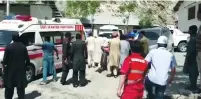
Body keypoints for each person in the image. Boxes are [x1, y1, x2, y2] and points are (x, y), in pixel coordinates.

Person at [2, 33, 30, 99]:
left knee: (9, 88)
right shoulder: (23, 47)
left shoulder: (8, 47)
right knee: (20, 89)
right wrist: (25, 67)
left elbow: (5, 60)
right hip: (20, 71)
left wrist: (3, 67)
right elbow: (27, 60)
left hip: (10, 72)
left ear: (12, 38)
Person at [183, 25, 200, 92]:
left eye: (189, 29)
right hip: (190, 57)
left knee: (193, 72)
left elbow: (193, 49)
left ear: (192, 30)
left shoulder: (195, 38)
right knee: (190, 71)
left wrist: (190, 57)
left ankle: (193, 86)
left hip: (193, 58)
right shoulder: (192, 37)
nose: (188, 30)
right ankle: (192, 85)